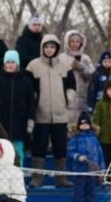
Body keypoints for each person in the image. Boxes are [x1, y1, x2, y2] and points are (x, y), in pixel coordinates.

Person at [26, 33, 75, 187]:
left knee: (60, 147)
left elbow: (72, 86)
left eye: (52, 46)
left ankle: (61, 178)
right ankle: (37, 178)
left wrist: (67, 99)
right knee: (38, 147)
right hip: (41, 115)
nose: (49, 49)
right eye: (46, 46)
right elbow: (28, 89)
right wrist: (34, 102)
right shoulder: (33, 66)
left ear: (56, 48)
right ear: (42, 48)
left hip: (60, 115)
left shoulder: (65, 66)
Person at [0, 50, 34, 163]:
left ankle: (18, 174)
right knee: (1, 151)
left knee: (18, 152)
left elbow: (31, 102)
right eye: (8, 62)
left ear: (17, 64)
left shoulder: (25, 81)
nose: (10, 65)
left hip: (20, 125)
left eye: (13, 62)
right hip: (2, 124)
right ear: (4, 64)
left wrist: (30, 120)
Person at [67, 111, 103, 202]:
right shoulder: (75, 138)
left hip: (92, 171)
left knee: (90, 193)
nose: (84, 125)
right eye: (82, 124)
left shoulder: (94, 139)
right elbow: (70, 152)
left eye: (86, 123)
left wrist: (102, 169)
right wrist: (78, 157)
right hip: (80, 171)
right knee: (79, 193)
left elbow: (100, 155)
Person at [62, 30, 95, 129]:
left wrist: (81, 67)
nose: (75, 44)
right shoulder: (61, 57)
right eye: (72, 41)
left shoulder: (85, 58)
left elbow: (92, 76)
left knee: (81, 124)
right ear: (67, 42)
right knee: (67, 125)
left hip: (82, 96)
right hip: (66, 95)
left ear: (81, 43)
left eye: (77, 41)